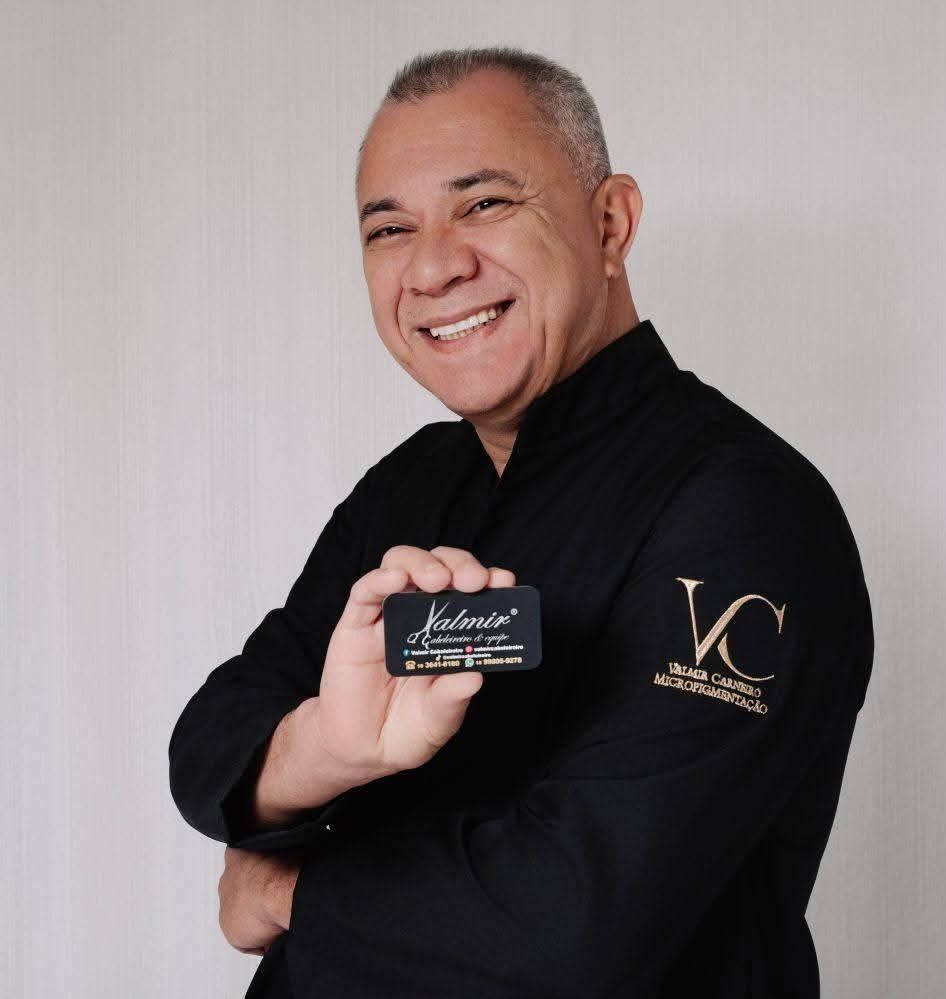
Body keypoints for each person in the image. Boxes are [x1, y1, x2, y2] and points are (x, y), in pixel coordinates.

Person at [169, 47, 873, 998]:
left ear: (610, 223)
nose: (433, 266)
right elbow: (211, 739)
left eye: (484, 203)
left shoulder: (745, 510)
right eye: (390, 228)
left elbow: (575, 919)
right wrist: (328, 744)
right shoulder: (410, 485)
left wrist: (292, 892)